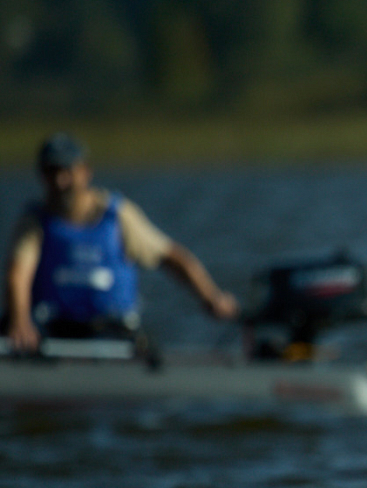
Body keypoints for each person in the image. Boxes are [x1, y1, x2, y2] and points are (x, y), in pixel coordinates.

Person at [5, 133, 239, 354]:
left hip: (113, 333)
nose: (60, 181)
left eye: (67, 171)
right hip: (54, 332)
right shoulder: (34, 223)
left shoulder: (118, 215)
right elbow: (18, 274)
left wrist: (211, 298)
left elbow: (172, 257)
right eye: (51, 172)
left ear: (85, 171)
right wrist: (20, 320)